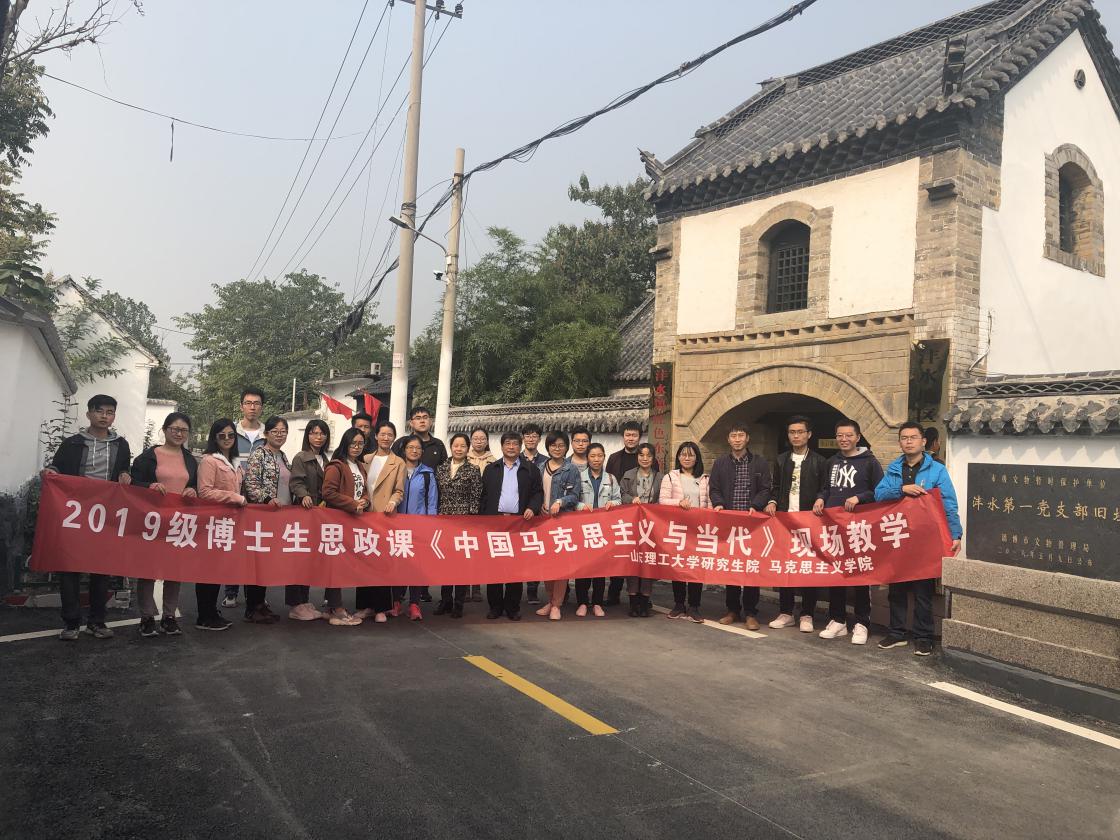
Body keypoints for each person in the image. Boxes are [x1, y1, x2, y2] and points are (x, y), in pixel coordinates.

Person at [44, 394, 132, 641]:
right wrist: (51, 472)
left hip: (105, 514)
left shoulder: (121, 445)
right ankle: (71, 623)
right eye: (99, 411)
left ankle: (97, 621)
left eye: (109, 412)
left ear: (114, 416)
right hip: (75, 513)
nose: (104, 416)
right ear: (89, 414)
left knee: (101, 569)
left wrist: (125, 474)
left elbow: (124, 469)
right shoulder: (72, 443)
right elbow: (57, 467)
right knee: (70, 568)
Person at [875, 422, 963, 656]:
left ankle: (923, 637)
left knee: (923, 591)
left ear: (923, 441)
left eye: (913, 437)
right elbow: (879, 494)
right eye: (904, 438)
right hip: (898, 537)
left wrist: (955, 533)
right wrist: (902, 489)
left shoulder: (937, 470)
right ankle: (897, 633)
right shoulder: (894, 469)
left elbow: (948, 502)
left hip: (925, 539)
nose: (908, 441)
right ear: (900, 442)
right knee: (896, 589)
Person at [813, 418, 884, 645]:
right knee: (837, 574)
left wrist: (860, 497)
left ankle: (862, 622)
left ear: (858, 437)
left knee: (860, 573)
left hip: (859, 528)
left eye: (849, 435)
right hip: (834, 527)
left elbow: (880, 491)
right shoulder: (831, 462)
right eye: (840, 435)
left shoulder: (870, 462)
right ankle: (838, 620)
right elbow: (825, 488)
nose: (844, 439)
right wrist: (820, 498)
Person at [130, 412, 199, 638]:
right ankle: (147, 617)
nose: (179, 433)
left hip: (178, 522)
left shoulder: (190, 460)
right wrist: (148, 486)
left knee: (173, 570)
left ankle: (169, 617)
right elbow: (132, 483)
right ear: (165, 429)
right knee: (148, 569)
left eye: (183, 430)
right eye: (174, 429)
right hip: (152, 521)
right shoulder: (148, 457)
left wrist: (193, 490)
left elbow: (196, 486)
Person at [291, 419, 360, 626]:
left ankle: (314, 602)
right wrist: (303, 495)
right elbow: (296, 481)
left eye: (322, 433)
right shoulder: (301, 457)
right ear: (307, 436)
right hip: (305, 513)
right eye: (314, 433)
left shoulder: (327, 459)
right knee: (300, 558)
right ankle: (297, 603)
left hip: (324, 516)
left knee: (324, 559)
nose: (318, 437)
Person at [765, 415, 829, 633]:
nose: (796, 436)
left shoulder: (820, 461)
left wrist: (820, 498)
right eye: (792, 432)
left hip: (809, 522)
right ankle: (786, 612)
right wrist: (773, 501)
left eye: (800, 432)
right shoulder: (781, 460)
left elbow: (825, 488)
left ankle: (807, 613)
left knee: (808, 568)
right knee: (787, 567)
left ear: (809, 434)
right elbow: (775, 487)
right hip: (785, 521)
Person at [709, 422, 772, 630]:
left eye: (741, 435)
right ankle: (732, 610)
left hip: (752, 523)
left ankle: (751, 612)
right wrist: (718, 503)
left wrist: (756, 505)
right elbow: (714, 488)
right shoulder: (720, 463)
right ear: (728, 439)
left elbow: (765, 489)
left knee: (752, 567)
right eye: (733, 436)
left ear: (747, 438)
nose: (737, 439)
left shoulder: (759, 463)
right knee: (733, 567)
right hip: (729, 524)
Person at [480, 432, 543, 621]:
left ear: (520, 446)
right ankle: (495, 607)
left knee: (515, 568)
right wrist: (485, 520)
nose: (511, 447)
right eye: (507, 443)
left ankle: (512, 607)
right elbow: (484, 496)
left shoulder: (530, 469)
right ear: (501, 446)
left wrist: (532, 507)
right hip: (496, 524)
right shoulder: (491, 469)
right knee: (495, 568)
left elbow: (538, 493)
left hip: (518, 524)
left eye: (515, 444)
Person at [195, 418, 246, 631]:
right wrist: (235, 498)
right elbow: (204, 491)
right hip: (212, 522)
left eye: (231, 435)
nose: (227, 439)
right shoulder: (209, 461)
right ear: (214, 438)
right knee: (208, 569)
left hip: (229, 523)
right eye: (222, 435)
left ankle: (211, 611)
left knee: (218, 569)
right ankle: (204, 616)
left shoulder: (235, 461)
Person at [241, 416, 293, 624]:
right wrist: (267, 499)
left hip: (281, 517)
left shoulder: (283, 456)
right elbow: (251, 484)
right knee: (258, 561)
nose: (279, 435)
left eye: (283, 431)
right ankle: (252, 607)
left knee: (268, 562)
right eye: (275, 431)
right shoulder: (259, 454)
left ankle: (261, 603)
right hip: (262, 516)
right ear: (266, 434)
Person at [392, 406, 446, 602]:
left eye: (425, 417)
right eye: (418, 417)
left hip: (419, 522)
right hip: (397, 522)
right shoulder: (397, 467)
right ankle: (397, 599)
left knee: (417, 561)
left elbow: (433, 498)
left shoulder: (435, 454)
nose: (422, 420)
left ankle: (417, 598)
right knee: (398, 561)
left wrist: (430, 522)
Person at [317, 427, 371, 627]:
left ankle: (333, 606)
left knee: (342, 564)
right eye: (353, 443)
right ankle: (336, 607)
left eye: (360, 444)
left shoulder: (360, 466)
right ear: (345, 443)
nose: (357, 447)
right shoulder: (336, 465)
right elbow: (328, 492)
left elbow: (363, 490)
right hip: (336, 520)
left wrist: (364, 501)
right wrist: (352, 503)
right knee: (336, 565)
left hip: (352, 521)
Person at [605, 421, 662, 606]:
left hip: (646, 520)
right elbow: (610, 484)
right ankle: (614, 594)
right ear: (623, 436)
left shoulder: (652, 463)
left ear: (639, 437)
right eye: (628, 435)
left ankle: (644, 598)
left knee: (644, 558)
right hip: (621, 516)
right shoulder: (614, 458)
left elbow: (657, 488)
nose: (631, 438)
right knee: (621, 555)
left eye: (634, 435)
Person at [355, 420, 406, 622]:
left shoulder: (398, 462)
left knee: (382, 562)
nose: (386, 438)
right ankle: (365, 606)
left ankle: (381, 608)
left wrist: (393, 501)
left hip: (385, 516)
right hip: (364, 515)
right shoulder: (364, 458)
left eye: (389, 434)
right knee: (364, 560)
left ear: (394, 438)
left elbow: (399, 490)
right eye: (382, 434)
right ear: (376, 436)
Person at [224, 387, 267, 608]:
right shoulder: (231, 432)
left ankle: (256, 595)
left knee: (256, 545)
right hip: (235, 496)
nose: (252, 407)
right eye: (248, 403)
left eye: (256, 403)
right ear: (241, 406)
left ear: (262, 407)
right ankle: (231, 591)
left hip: (260, 499)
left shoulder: (268, 433)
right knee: (234, 545)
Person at [659, 442, 710, 622]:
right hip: (678, 529)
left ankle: (694, 606)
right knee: (679, 566)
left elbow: (709, 503)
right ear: (678, 457)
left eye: (691, 455)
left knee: (696, 567)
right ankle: (679, 604)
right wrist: (678, 502)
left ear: (697, 458)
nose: (687, 458)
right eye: (683, 454)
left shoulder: (705, 479)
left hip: (699, 530)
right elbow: (663, 500)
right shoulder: (670, 477)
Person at [434, 433, 483, 618]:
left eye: (463, 446)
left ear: (468, 448)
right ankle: (445, 600)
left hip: (464, 524)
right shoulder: (441, 468)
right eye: (456, 445)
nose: (459, 449)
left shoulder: (473, 470)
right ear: (451, 447)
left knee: (461, 565)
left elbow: (476, 496)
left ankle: (459, 603)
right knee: (445, 564)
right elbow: (436, 494)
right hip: (444, 522)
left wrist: (471, 520)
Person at [535, 431, 582, 621]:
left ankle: (557, 604)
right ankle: (550, 600)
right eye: (553, 445)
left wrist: (560, 502)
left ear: (566, 447)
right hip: (542, 521)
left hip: (562, 523)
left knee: (561, 565)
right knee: (546, 565)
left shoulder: (571, 470)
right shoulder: (540, 468)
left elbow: (575, 495)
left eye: (561, 445)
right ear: (548, 447)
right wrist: (538, 505)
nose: (557, 448)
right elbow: (535, 491)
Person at [574, 442, 621, 617]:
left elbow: (619, 499)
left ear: (604, 457)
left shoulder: (611, 478)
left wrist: (613, 503)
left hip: (603, 529)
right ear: (587, 458)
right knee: (583, 568)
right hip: (583, 528)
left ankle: (597, 603)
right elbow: (573, 499)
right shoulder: (579, 477)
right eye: (593, 456)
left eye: (600, 456)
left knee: (600, 568)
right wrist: (581, 506)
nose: (596, 459)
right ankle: (582, 602)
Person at [620, 443, 664, 617]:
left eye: (648, 455)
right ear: (637, 457)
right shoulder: (628, 475)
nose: (645, 459)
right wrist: (631, 499)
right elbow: (621, 494)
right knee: (633, 561)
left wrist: (654, 508)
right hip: (632, 524)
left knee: (648, 562)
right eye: (641, 455)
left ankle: (645, 602)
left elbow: (663, 499)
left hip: (652, 526)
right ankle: (633, 603)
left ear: (653, 458)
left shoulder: (660, 477)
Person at [398, 435, 439, 620]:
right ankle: (396, 602)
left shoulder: (427, 474)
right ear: (404, 450)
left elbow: (432, 503)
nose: (414, 451)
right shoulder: (396, 470)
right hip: (397, 526)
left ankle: (414, 604)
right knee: (397, 565)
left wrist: (429, 526)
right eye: (410, 447)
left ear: (422, 452)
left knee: (416, 566)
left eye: (417, 448)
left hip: (418, 527)